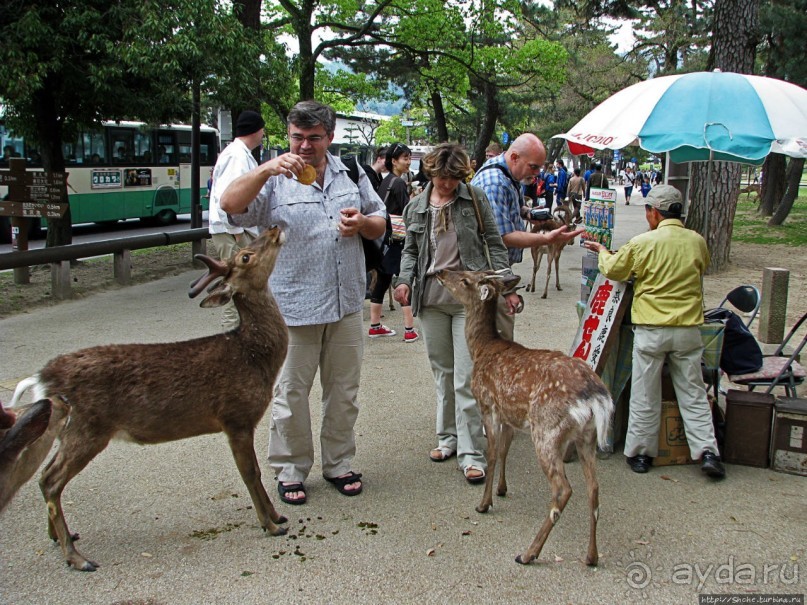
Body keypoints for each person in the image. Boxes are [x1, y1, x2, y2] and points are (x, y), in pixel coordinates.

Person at [220, 100, 387, 505]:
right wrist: (265, 169)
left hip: (346, 301)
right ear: (288, 136)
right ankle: (291, 468)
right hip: (294, 306)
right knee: (290, 393)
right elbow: (229, 205)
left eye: (314, 138)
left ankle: (339, 463)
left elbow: (380, 220)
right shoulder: (274, 179)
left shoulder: (352, 172)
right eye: (297, 137)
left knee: (343, 391)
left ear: (330, 137)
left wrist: (362, 224)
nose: (305, 146)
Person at [393, 143, 518, 484]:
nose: (447, 183)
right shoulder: (416, 205)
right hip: (430, 299)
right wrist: (403, 280)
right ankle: (447, 438)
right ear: (430, 173)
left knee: (466, 378)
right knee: (443, 374)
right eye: (440, 177)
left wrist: (506, 284)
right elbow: (410, 250)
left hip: (470, 302)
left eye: (453, 177)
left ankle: (472, 452)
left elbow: (495, 243)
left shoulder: (475, 199)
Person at [583, 185, 725, 479]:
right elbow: (702, 267)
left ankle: (641, 454)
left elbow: (614, 269)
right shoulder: (696, 241)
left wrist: (602, 251)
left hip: (651, 329)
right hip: (688, 329)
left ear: (654, 213)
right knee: (693, 393)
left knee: (645, 394)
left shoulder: (642, 243)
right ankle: (708, 453)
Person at [470, 133, 583, 339]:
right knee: (497, 344)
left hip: (496, 272)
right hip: (489, 273)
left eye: (539, 167)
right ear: (514, 157)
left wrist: (528, 214)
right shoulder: (495, 183)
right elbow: (502, 237)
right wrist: (546, 239)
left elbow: (507, 210)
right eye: (533, 167)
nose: (538, 173)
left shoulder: (508, 174)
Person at [208, 110, 264, 330]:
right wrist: (236, 231)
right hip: (232, 231)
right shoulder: (237, 156)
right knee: (236, 284)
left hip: (235, 230)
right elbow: (226, 198)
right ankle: (231, 335)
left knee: (244, 285)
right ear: (257, 130)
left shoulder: (239, 153)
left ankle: (242, 332)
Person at [368, 142, 419, 342]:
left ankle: (375, 325)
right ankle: (409, 329)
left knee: (383, 280)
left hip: (383, 239)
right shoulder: (398, 183)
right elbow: (408, 212)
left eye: (409, 158)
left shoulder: (386, 181)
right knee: (403, 280)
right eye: (405, 158)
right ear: (394, 161)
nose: (408, 162)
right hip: (397, 239)